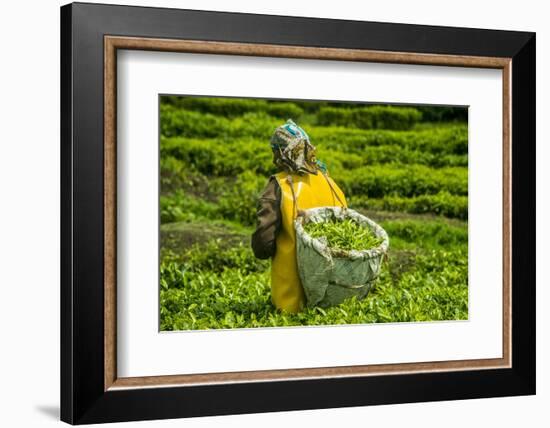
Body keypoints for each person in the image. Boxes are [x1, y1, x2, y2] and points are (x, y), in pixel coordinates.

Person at [251, 119, 348, 313]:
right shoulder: (329, 182)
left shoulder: (279, 185)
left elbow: (263, 242)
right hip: (334, 296)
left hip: (292, 299)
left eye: (274, 150)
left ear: (281, 153)